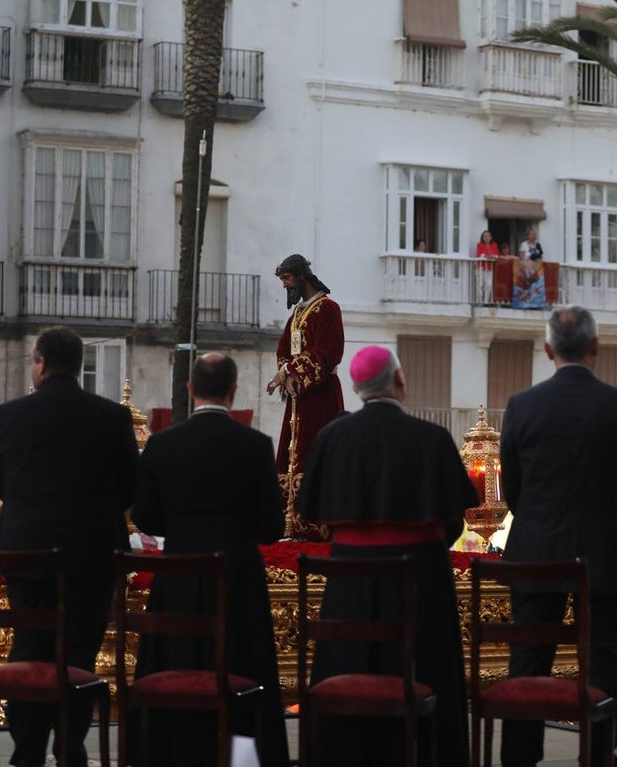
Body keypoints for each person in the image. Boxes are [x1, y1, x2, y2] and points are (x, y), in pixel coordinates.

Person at [297, 345, 478, 767]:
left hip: (348, 586)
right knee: (426, 669)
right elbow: (453, 520)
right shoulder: (432, 438)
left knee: (348, 669)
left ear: (357, 388)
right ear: (399, 381)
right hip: (421, 581)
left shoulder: (331, 437)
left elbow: (312, 511)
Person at [499, 306, 617, 767]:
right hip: (602, 551)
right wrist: (608, 521)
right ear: (595, 347)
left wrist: (538, 523)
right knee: (602, 658)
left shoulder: (521, 405)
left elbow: (513, 487)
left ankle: (519, 757)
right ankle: (598, 754)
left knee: (528, 658)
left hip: (534, 551)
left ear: (548, 350)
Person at [0, 326, 138, 767]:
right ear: (78, 367)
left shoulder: (8, 416)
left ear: (40, 362)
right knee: (79, 653)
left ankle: (26, 750)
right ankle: (70, 746)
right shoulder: (112, 417)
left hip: (27, 557)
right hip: (91, 560)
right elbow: (129, 489)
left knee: (29, 649)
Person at [132, 353, 289, 767]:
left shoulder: (163, 444)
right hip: (238, 578)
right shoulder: (255, 446)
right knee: (243, 666)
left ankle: (172, 753)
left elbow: (145, 516)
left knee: (175, 666)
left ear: (190, 389)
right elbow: (272, 526)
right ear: (233, 392)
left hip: (177, 577)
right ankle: (245, 759)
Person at [267, 254, 345, 541]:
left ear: (302, 276)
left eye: (287, 279)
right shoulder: (297, 315)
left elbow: (329, 352)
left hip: (320, 396)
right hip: (298, 399)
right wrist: (285, 373)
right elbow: (283, 350)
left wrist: (292, 371)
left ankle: (314, 523)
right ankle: (288, 522)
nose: (285, 285)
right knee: (290, 453)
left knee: (314, 453)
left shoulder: (329, 309)